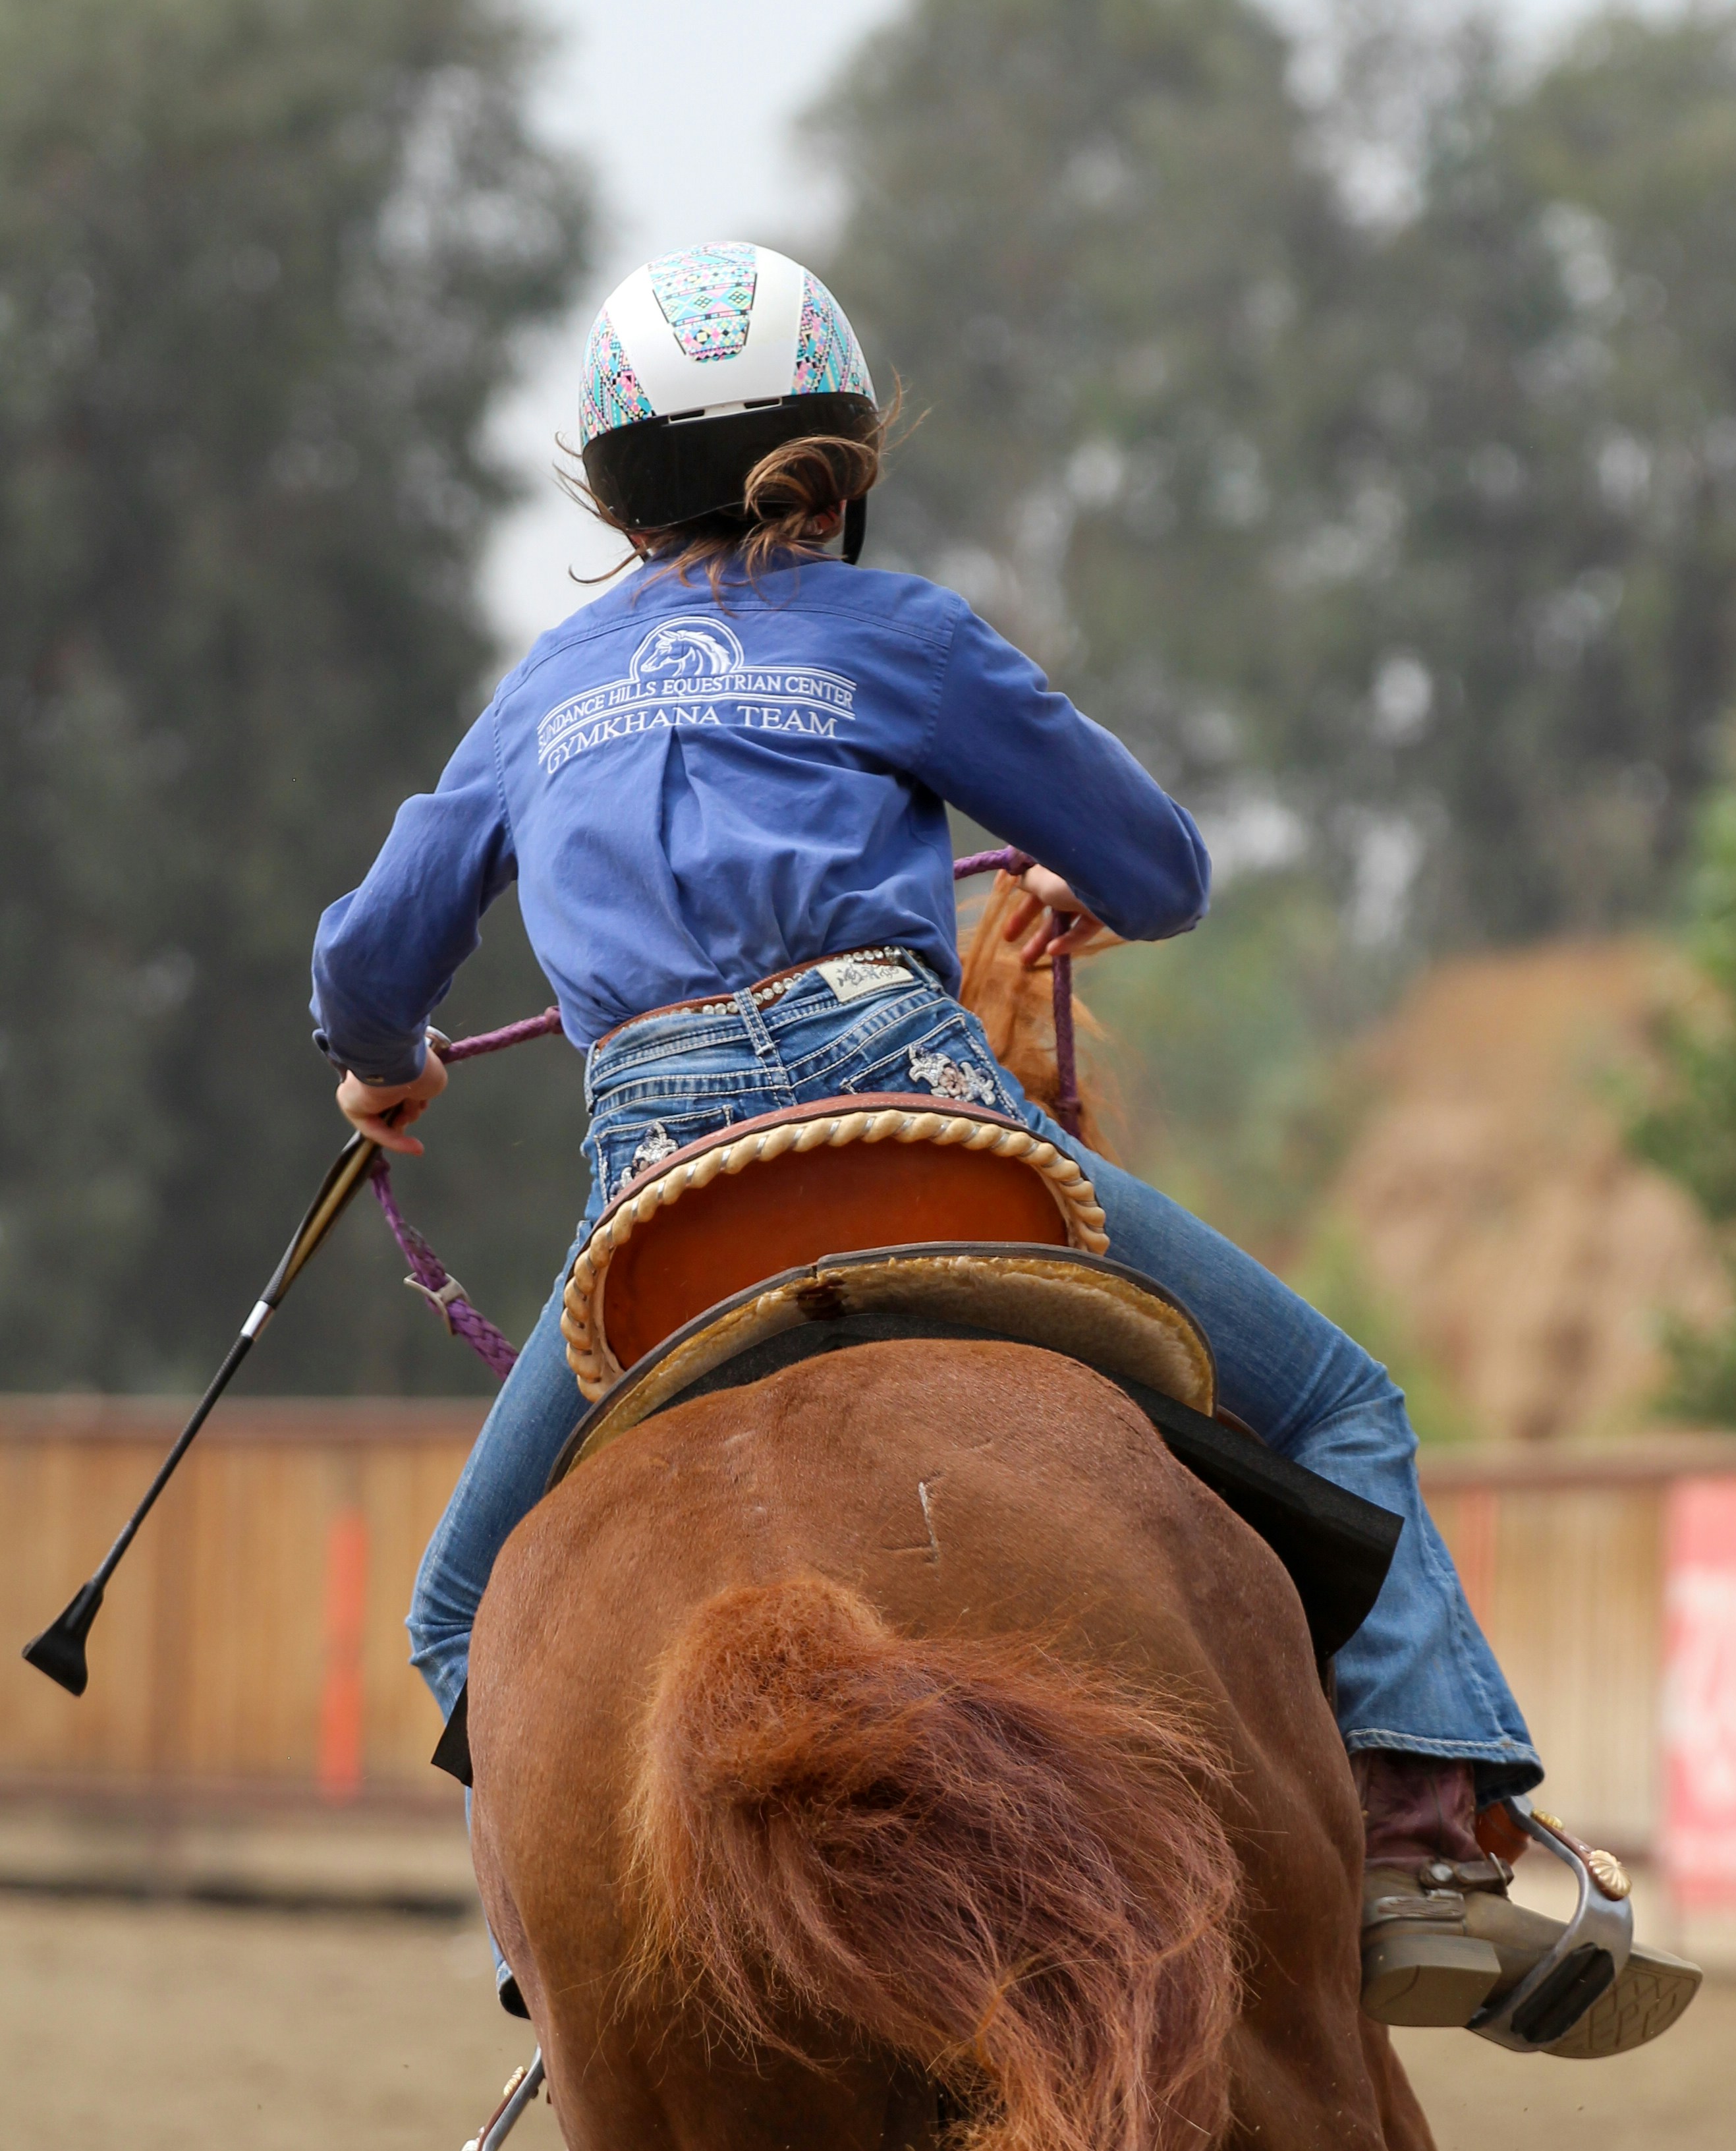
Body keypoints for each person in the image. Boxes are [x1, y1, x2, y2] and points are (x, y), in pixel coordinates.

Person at [312, 243, 1543, 2055]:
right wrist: (1063, 873)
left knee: (458, 1616)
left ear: (607, 487)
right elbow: (1163, 873)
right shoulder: (905, 637)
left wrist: (384, 1070)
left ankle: (595, 2050)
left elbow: (364, 956)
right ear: (844, 462)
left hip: (661, 1188)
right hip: (917, 1116)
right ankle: (1426, 1852)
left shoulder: (540, 694)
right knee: (1343, 1406)